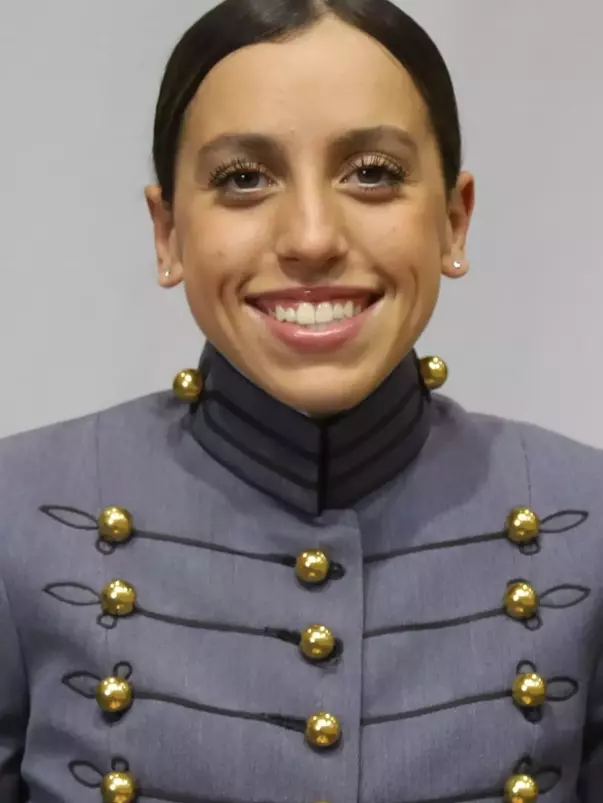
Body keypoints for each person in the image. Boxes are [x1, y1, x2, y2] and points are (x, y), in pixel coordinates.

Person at [0, 0, 601, 801]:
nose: (312, 236)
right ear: (168, 232)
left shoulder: (585, 519)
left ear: (453, 221)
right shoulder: (16, 515)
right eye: (243, 178)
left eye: (373, 173)